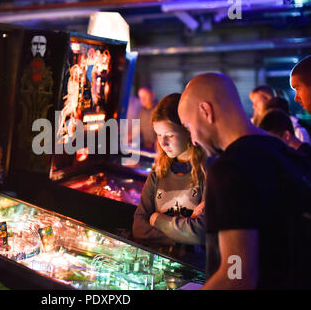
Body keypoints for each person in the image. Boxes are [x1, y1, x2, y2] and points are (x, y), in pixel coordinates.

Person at [178, 72, 311, 289]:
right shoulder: (284, 153)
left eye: (189, 127)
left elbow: (236, 274)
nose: (193, 139)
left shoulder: (230, 169)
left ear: (205, 111)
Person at [133, 93, 207, 262]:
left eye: (169, 135)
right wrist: (183, 235)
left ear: (187, 130)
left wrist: (156, 219)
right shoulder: (158, 171)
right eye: (158, 135)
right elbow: (138, 226)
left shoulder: (207, 172)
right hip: (160, 265)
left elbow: (200, 232)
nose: (162, 143)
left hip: (196, 271)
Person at [137, 86, 157, 151]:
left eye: (145, 96)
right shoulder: (141, 112)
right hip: (146, 148)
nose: (143, 99)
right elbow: (137, 130)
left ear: (152, 95)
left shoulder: (159, 110)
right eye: (141, 97)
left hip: (158, 149)